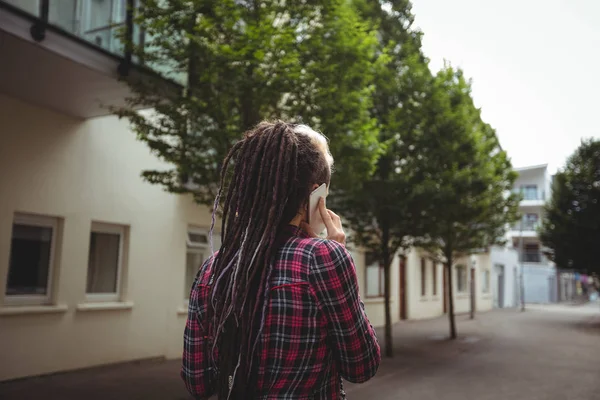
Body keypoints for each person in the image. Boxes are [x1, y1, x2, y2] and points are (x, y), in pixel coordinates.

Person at [181, 121, 380, 399]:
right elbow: (362, 365)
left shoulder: (214, 268)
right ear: (314, 195)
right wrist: (339, 254)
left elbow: (198, 383)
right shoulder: (324, 259)